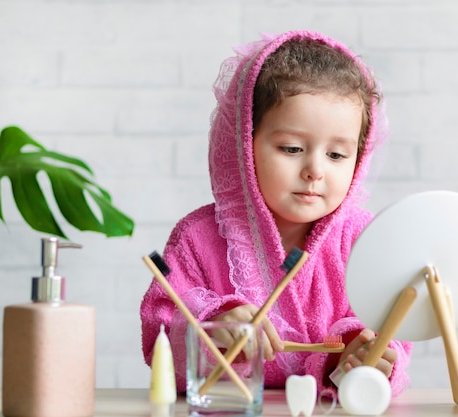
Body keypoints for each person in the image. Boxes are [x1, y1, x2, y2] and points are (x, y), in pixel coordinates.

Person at [140, 30, 412, 396]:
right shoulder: (197, 237)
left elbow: (390, 332)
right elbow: (159, 324)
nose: (315, 170)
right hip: (228, 406)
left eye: (336, 155)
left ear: (359, 159)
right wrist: (212, 324)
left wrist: (362, 356)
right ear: (244, 142)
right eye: (291, 148)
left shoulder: (364, 241)